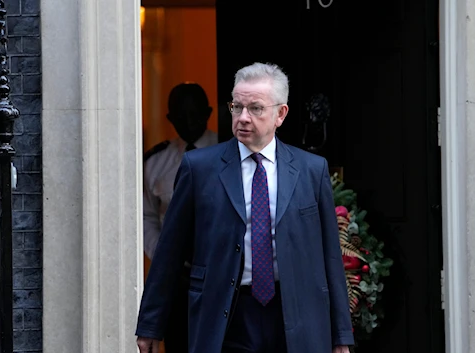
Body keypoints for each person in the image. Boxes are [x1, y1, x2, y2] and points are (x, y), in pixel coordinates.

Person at [136, 62, 353, 353]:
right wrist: (151, 325)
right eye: (237, 107)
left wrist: (341, 335)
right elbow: (170, 252)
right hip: (227, 312)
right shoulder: (199, 168)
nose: (243, 118)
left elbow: (330, 256)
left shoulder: (311, 170)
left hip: (294, 314)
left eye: (256, 108)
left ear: (281, 114)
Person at [143, 82, 217, 260]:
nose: (189, 122)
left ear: (207, 113)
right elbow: (147, 216)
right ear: (170, 119)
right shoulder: (156, 161)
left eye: (195, 115)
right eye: (180, 116)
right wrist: (162, 256)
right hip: (175, 271)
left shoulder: (229, 151)